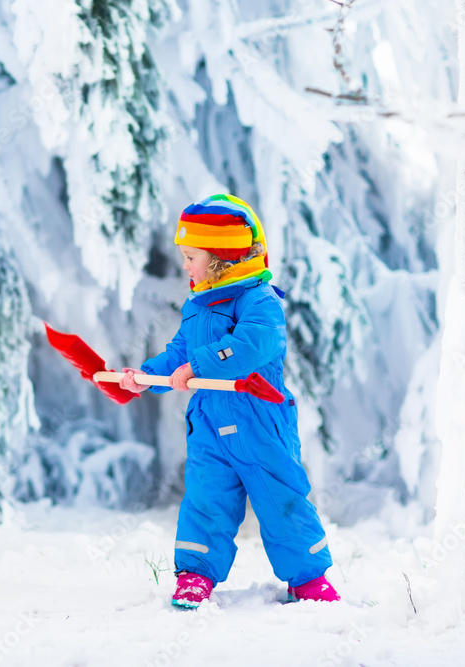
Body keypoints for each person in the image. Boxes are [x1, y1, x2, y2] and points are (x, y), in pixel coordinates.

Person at [119, 194, 340, 609]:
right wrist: (146, 377)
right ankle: (196, 575)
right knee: (206, 498)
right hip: (208, 422)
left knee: (281, 498)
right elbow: (179, 353)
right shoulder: (197, 305)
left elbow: (253, 346)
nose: (184, 265)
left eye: (190, 256)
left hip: (259, 419)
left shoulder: (259, 300)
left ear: (220, 258)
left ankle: (308, 578)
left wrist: (199, 364)